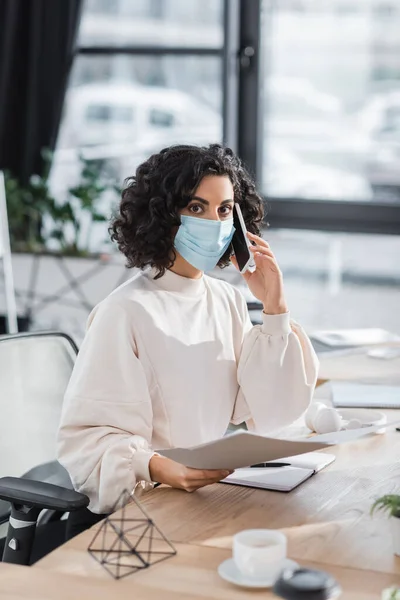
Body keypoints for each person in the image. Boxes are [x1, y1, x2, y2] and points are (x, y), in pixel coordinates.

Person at [57, 144, 318, 517]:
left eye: (224, 209)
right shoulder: (124, 311)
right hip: (149, 505)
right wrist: (163, 468)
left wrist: (275, 308)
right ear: (162, 216)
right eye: (197, 208)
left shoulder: (226, 300)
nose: (214, 222)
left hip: (210, 494)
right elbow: (85, 443)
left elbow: (271, 410)